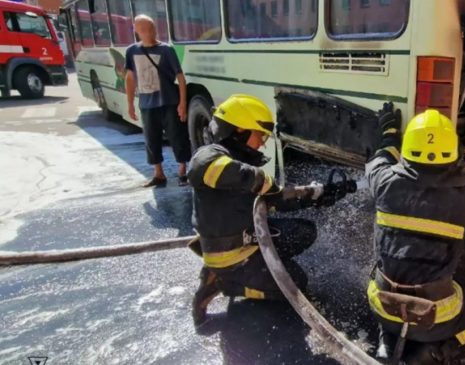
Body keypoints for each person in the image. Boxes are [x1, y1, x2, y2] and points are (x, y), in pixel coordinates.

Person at [188, 94, 352, 326]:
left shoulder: (237, 162)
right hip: (233, 256)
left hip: (247, 239)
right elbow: (199, 168)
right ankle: (222, 282)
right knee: (296, 283)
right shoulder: (211, 155)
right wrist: (258, 177)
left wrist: (319, 194)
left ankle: (252, 271)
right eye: (260, 136)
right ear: (238, 131)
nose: (263, 144)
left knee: (305, 231)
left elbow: (276, 198)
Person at [365, 105, 465, 364]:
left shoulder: (383, 182)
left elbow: (381, 156)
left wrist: (390, 131)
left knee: (382, 271)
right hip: (435, 315)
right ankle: (437, 351)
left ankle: (386, 339)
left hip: (383, 306)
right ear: (454, 152)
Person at [125, 15, 191, 187]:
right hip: (147, 104)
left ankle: (183, 170)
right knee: (151, 139)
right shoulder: (132, 51)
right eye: (144, 30)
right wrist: (130, 103)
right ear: (136, 31)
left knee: (177, 137)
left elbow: (180, 78)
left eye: (151, 29)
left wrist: (182, 103)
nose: (149, 33)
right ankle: (158, 173)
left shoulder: (166, 50)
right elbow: (130, 78)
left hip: (169, 101)